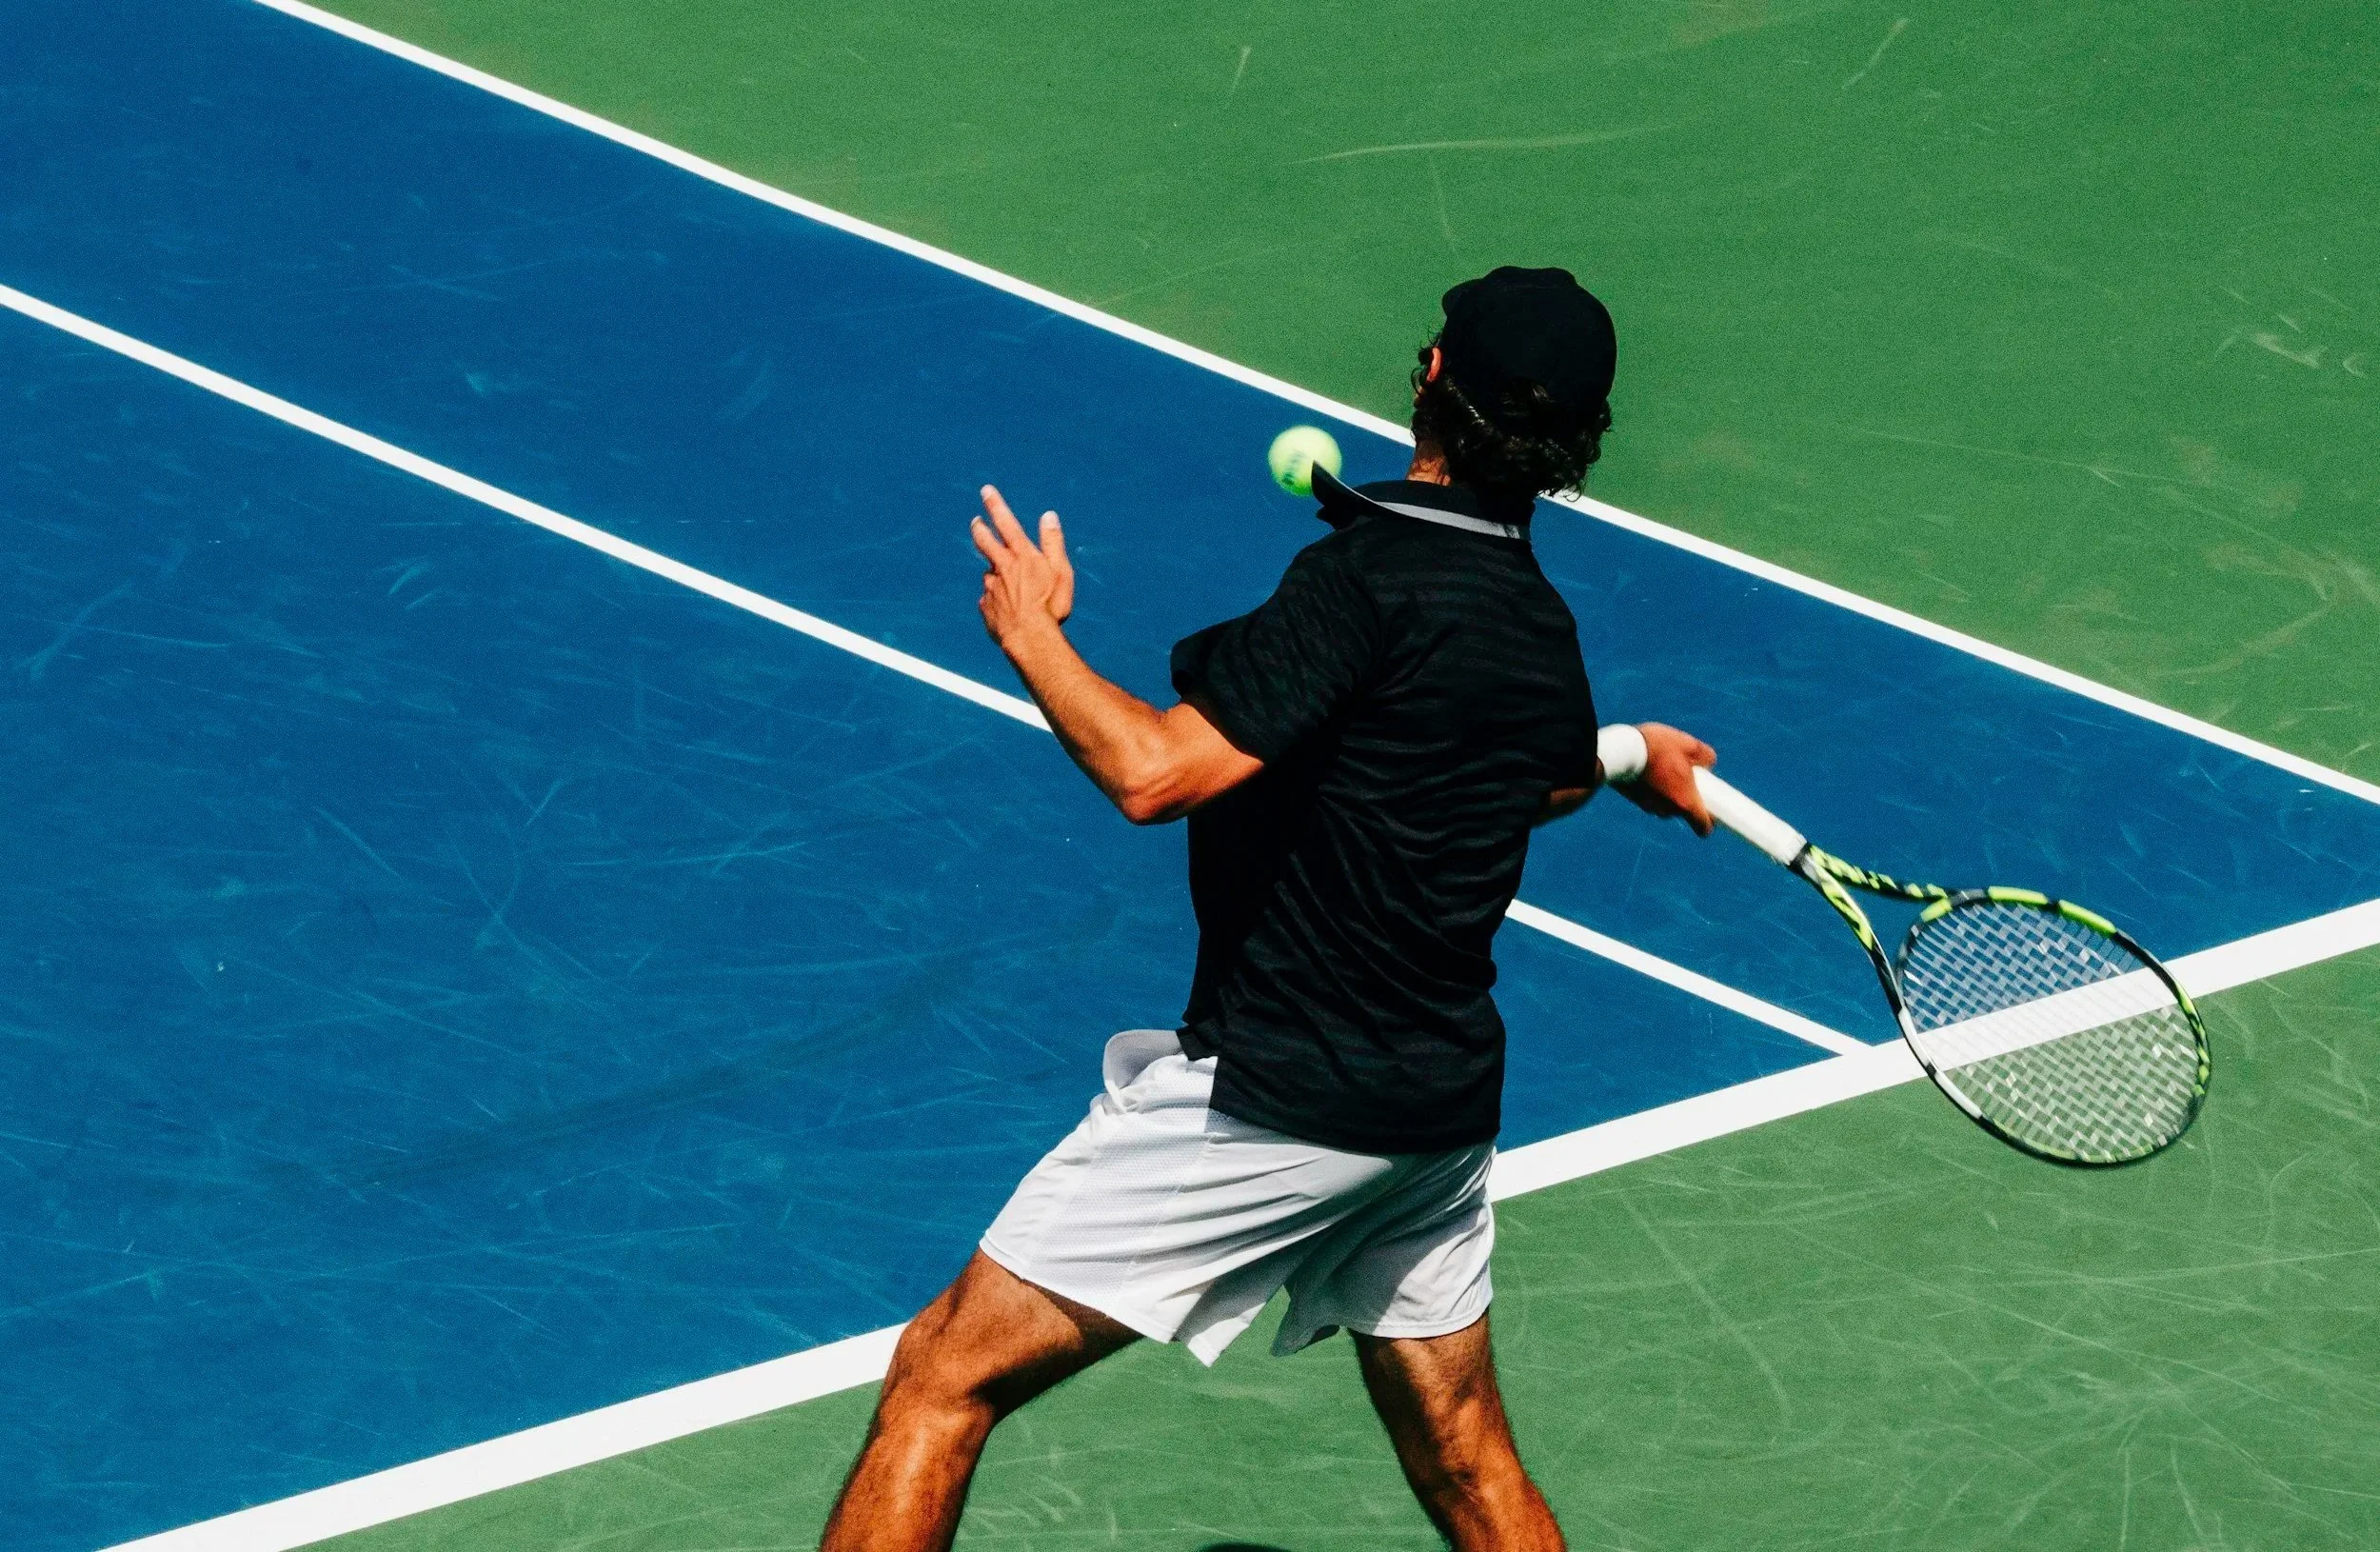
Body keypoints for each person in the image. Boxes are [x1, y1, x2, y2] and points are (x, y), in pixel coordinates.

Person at [820, 267, 1718, 1552]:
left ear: (1428, 382)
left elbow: (1153, 771)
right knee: (1469, 1467)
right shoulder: (1539, 630)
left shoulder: (1361, 584)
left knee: (940, 1377)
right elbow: (1552, 768)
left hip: (1277, 1095)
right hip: (1433, 1121)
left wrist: (1032, 637)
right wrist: (1634, 755)